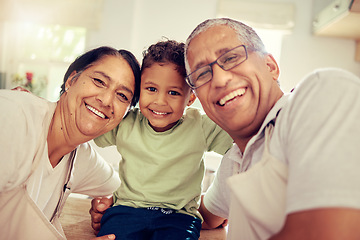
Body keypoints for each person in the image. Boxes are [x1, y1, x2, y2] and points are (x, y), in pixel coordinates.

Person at [183, 18, 360, 239]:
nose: (219, 79)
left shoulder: (321, 93)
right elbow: (206, 216)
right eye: (201, 74)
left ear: (271, 67)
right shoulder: (234, 161)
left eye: (230, 58)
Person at [92, 40, 233, 239]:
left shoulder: (200, 126)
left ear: (191, 98)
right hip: (127, 209)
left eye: (173, 92)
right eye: (151, 89)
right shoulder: (126, 122)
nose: (160, 101)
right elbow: (89, 129)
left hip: (179, 216)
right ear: (139, 89)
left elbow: (242, 143)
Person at [0, 46, 141, 240]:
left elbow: (124, 188)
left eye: (122, 96)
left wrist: (109, 203)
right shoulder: (15, 117)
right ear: (71, 80)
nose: (107, 100)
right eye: (99, 81)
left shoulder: (81, 157)